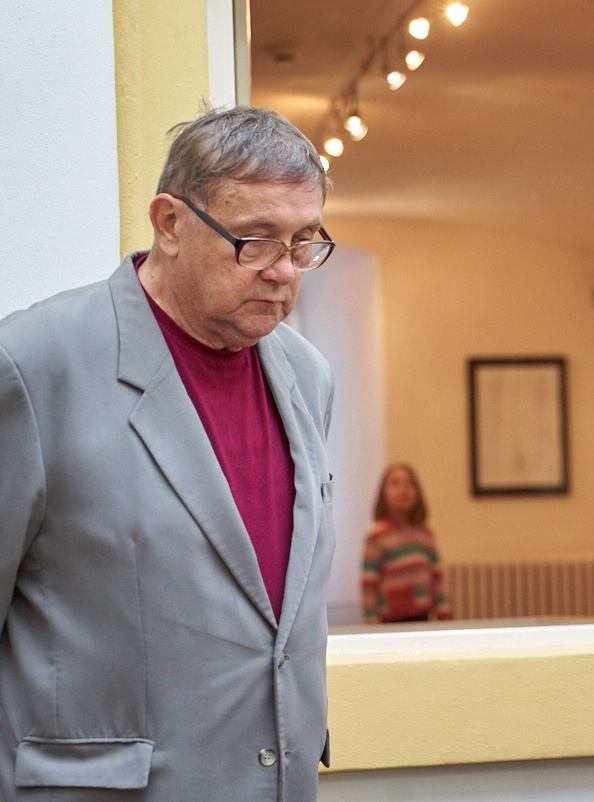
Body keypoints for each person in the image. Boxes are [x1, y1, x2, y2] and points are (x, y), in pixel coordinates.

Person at [0, 106, 337, 800]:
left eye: (304, 241)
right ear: (170, 224)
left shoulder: (308, 375)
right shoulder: (32, 366)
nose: (283, 271)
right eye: (256, 242)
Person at [361, 463, 452, 623]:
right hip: (389, 620)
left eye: (410, 483)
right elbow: (369, 582)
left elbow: (437, 576)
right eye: (395, 483)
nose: (403, 488)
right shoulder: (376, 536)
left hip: (422, 616)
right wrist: (371, 619)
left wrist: (443, 610)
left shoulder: (425, 534)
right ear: (383, 493)